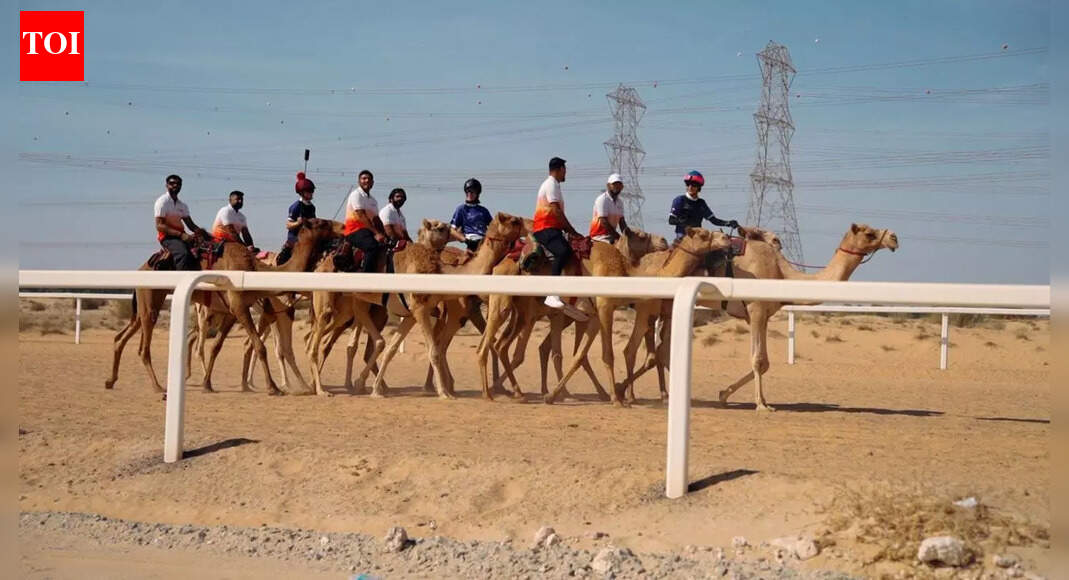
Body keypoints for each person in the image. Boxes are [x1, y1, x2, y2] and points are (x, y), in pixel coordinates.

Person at [531, 156, 582, 310]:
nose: (565, 173)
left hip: (551, 228)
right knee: (563, 252)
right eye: (564, 170)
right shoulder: (551, 185)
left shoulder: (554, 185)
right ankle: (552, 294)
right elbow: (556, 211)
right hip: (545, 228)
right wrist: (571, 230)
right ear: (559, 169)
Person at [154, 174, 208, 271]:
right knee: (182, 253)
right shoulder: (162, 202)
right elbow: (159, 226)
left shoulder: (182, 205)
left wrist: (203, 234)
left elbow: (191, 225)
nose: (175, 185)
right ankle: (179, 281)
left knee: (202, 250)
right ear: (167, 185)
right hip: (167, 237)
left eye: (178, 184)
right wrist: (181, 235)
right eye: (172, 183)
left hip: (182, 237)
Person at [668, 170, 739, 241]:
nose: (690, 187)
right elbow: (671, 220)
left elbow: (714, 220)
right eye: (688, 184)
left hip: (698, 237)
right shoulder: (680, 200)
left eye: (693, 185)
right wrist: (681, 222)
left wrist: (728, 223)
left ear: (699, 187)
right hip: (682, 238)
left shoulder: (701, 203)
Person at [343, 169, 387, 272]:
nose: (366, 181)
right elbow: (361, 216)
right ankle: (366, 277)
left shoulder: (373, 200)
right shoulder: (356, 195)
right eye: (363, 178)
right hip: (354, 230)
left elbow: (376, 220)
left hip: (367, 231)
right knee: (371, 247)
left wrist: (384, 235)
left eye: (369, 179)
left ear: (372, 182)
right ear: (359, 181)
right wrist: (376, 233)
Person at [278, 171, 317, 265]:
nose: (311, 193)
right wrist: (298, 223)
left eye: (312, 191)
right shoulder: (296, 206)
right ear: (302, 193)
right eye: (308, 191)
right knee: (283, 260)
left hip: (307, 238)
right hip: (295, 239)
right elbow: (288, 225)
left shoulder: (312, 207)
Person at [450, 178, 493, 252]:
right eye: (468, 191)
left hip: (484, 243)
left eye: (472, 191)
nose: (470, 194)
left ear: (477, 194)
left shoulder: (483, 210)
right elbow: (452, 230)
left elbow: (493, 227)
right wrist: (465, 240)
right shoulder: (461, 209)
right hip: (470, 243)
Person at [589, 173, 630, 244]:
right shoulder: (602, 199)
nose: (617, 187)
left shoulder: (620, 202)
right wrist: (618, 236)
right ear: (608, 186)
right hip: (599, 237)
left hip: (611, 236)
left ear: (622, 187)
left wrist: (629, 235)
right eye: (614, 184)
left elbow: (622, 222)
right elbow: (603, 221)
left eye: (619, 184)